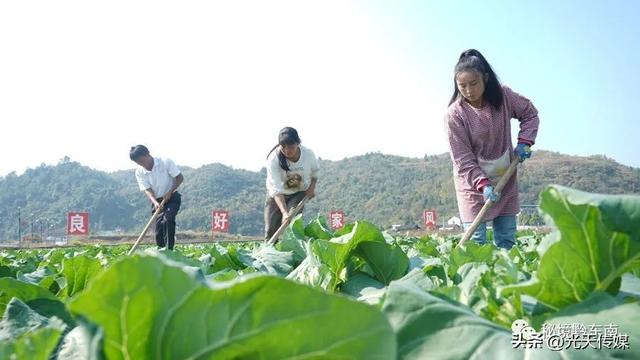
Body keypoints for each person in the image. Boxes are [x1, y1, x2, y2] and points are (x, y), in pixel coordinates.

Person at [445, 49, 539, 249]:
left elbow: (530, 114)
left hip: (505, 173)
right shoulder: (455, 115)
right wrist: (483, 184)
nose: (468, 90)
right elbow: (462, 159)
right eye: (462, 85)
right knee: (475, 243)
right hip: (472, 183)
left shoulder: (503, 97)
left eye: (473, 83)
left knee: (506, 239)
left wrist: (525, 142)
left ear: (485, 79)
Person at [265, 127, 319, 240]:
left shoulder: (308, 155)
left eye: (290, 146)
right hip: (277, 195)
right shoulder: (273, 159)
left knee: (292, 223)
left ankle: (295, 252)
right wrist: (284, 212)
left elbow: (315, 173)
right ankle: (269, 253)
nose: (287, 150)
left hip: (298, 193)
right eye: (283, 146)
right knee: (271, 228)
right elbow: (276, 189)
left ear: (298, 143)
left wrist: (311, 188)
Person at [129, 145, 184, 250]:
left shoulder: (165, 162)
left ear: (148, 154)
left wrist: (169, 192)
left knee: (168, 220)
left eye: (142, 161)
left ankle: (169, 251)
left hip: (172, 197)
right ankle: (161, 252)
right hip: (157, 201)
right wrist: (154, 202)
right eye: (138, 163)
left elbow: (180, 178)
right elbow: (147, 189)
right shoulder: (139, 172)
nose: (141, 164)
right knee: (158, 230)